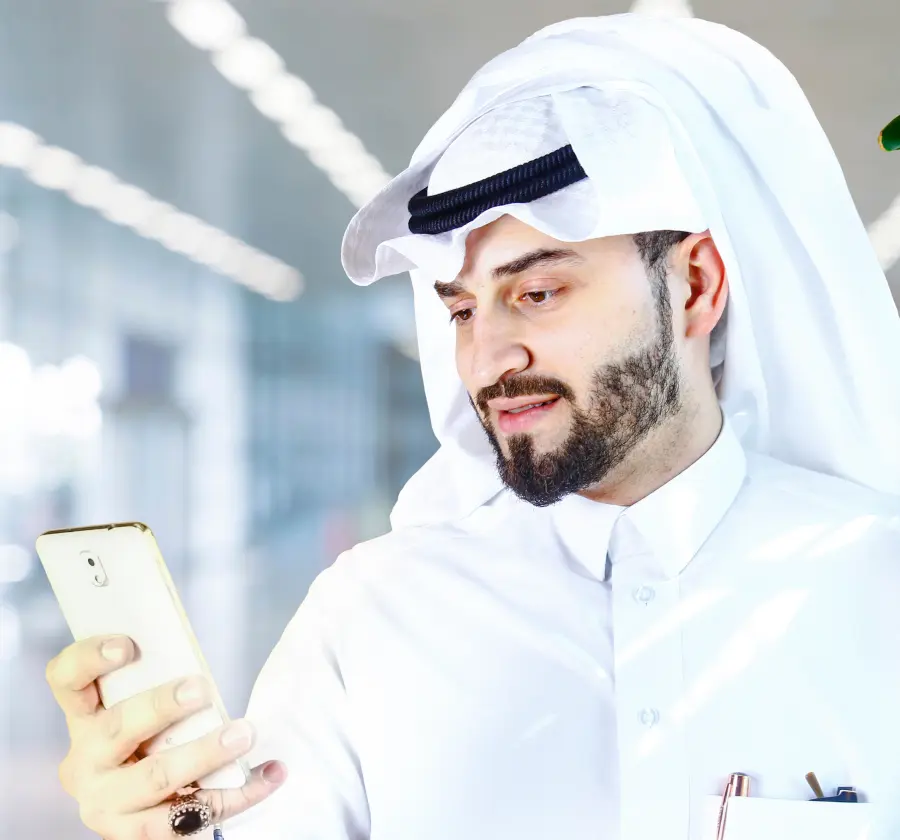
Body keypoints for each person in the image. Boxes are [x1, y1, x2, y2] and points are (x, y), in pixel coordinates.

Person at [44, 13, 900, 840]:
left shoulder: (876, 587)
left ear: (698, 286)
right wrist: (159, 822)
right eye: (461, 311)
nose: (488, 358)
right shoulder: (369, 615)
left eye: (537, 292)